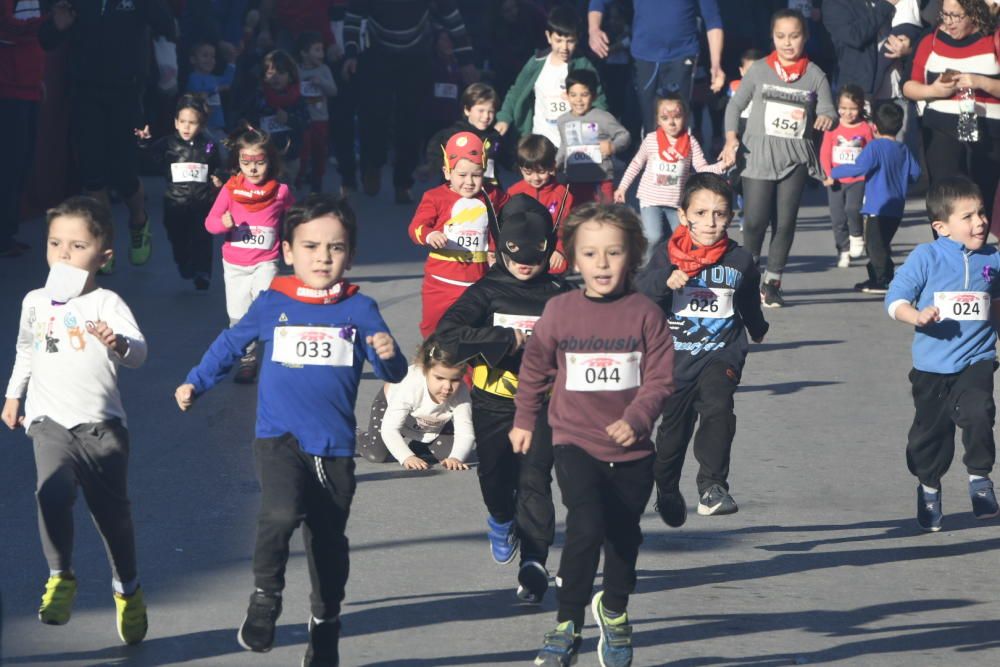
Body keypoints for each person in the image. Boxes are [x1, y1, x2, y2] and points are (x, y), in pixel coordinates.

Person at [175, 194, 408, 665]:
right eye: (311, 246)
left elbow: (395, 375)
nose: (323, 257)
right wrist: (195, 381)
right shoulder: (273, 301)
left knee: (327, 542)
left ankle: (325, 624)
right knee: (280, 515)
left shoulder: (360, 309)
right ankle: (265, 599)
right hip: (278, 438)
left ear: (351, 254)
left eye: (335, 248)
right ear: (287, 250)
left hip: (335, 447)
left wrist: (387, 353)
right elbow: (230, 343)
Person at [510, 204, 675, 667]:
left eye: (613, 252)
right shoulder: (560, 311)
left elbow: (661, 380)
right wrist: (525, 419)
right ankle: (567, 622)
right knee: (585, 526)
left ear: (633, 255)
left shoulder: (645, 315)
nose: (602, 264)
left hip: (633, 448)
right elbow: (536, 369)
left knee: (623, 536)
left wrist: (637, 418)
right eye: (590, 254)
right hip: (574, 439)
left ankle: (615, 611)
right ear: (573, 259)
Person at [3, 196, 149, 644]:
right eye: (54, 243)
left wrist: (117, 343)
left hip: (102, 428)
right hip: (49, 422)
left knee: (111, 518)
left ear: (103, 257)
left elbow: (140, 354)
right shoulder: (34, 301)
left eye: (77, 245)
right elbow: (26, 349)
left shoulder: (107, 302)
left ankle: (127, 589)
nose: (63, 254)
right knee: (52, 493)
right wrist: (13, 395)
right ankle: (60, 575)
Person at [435, 195, 573, 604]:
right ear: (500, 248)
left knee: (535, 481)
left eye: (536, 254)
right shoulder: (487, 291)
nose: (525, 263)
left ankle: (533, 562)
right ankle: (499, 518)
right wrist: (502, 339)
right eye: (516, 255)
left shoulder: (560, 294)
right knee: (496, 480)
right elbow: (446, 334)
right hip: (494, 402)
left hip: (545, 406)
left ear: (549, 249)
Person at [636, 173, 768, 524]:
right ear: (684, 215)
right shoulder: (666, 254)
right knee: (671, 438)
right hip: (673, 360)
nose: (711, 222)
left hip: (720, 352)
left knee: (719, 407)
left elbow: (747, 296)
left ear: (731, 216)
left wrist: (757, 327)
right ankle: (665, 489)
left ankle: (712, 487)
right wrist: (665, 283)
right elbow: (640, 296)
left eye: (720, 214)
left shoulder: (739, 259)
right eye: (702, 213)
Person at [883, 176, 1000, 532]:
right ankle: (929, 487)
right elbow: (895, 299)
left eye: (981, 212)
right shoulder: (927, 256)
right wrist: (916, 315)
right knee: (930, 437)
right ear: (941, 227)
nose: (979, 221)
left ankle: (980, 478)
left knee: (979, 410)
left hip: (977, 358)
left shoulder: (994, 257)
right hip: (931, 365)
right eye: (967, 216)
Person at [38, 0, 177, 272]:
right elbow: (47, 40)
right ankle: (105, 243)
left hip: (126, 93)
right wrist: (57, 25)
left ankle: (139, 221)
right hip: (84, 92)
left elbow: (167, 26)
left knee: (123, 175)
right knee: (93, 175)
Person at [721, 8, 836, 308]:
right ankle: (747, 279)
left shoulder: (814, 75)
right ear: (772, 37)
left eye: (794, 36)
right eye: (781, 36)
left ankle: (772, 283)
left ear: (805, 37)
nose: (787, 43)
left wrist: (826, 117)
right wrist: (731, 137)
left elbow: (829, 110)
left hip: (795, 158)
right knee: (756, 221)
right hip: (757, 156)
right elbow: (735, 108)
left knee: (785, 223)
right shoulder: (759, 70)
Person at [342, 0, 479, 204]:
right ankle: (372, 163)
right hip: (377, 53)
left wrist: (466, 60)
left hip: (416, 56)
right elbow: (353, 16)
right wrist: (351, 53)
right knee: (373, 114)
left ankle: (403, 183)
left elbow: (452, 16)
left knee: (411, 119)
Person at [205, 126, 294, 382]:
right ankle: (248, 360)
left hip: (266, 261)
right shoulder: (230, 191)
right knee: (238, 317)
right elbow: (210, 224)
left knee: (266, 307)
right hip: (234, 266)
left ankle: (279, 357)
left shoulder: (280, 192)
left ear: (271, 162)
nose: (253, 169)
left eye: (260, 162)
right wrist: (224, 223)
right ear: (238, 163)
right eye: (246, 163)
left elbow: (296, 218)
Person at [903, 0, 1000, 211]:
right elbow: (908, 85)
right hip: (940, 128)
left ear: (974, 14)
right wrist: (934, 91)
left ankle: (976, 243)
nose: (948, 22)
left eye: (956, 16)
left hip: (988, 132)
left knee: (981, 197)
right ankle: (946, 244)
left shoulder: (994, 38)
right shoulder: (931, 39)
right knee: (945, 195)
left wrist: (982, 83)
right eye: (944, 15)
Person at [408, 131, 505, 338]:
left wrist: (497, 250)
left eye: (477, 175)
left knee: (473, 333)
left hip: (477, 281)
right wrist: (429, 235)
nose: (469, 182)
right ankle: (431, 364)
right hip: (441, 282)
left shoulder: (493, 195)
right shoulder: (434, 197)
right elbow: (416, 227)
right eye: (461, 175)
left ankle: (470, 370)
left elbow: (506, 220)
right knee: (433, 329)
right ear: (446, 172)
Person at [615, 92, 730, 261]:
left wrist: (723, 165)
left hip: (676, 203)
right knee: (653, 236)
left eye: (677, 116)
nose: (671, 122)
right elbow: (636, 164)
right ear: (658, 120)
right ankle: (644, 269)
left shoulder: (691, 142)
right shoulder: (651, 140)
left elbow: (702, 168)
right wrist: (622, 187)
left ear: (686, 117)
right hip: (650, 199)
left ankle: (672, 271)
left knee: (678, 239)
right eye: (665, 117)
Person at [588, 0, 725, 133]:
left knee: (676, 117)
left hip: (682, 53)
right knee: (650, 120)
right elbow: (598, 2)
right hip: (644, 55)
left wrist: (716, 64)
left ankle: (678, 154)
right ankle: (651, 152)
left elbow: (712, 17)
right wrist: (593, 29)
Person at [136, 95, 225, 291]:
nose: (186, 127)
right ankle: (184, 262)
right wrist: (144, 143)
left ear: (201, 125)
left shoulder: (208, 145)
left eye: (192, 123)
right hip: (175, 202)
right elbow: (150, 158)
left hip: (202, 202)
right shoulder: (168, 144)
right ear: (175, 122)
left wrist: (219, 176)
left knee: (202, 237)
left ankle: (203, 273)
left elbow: (218, 166)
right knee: (178, 237)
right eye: (183, 122)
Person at [832, 101, 921, 293]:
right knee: (882, 244)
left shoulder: (874, 147)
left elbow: (859, 168)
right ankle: (875, 277)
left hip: (877, 207)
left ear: (874, 127)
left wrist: (834, 172)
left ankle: (883, 279)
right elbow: (915, 174)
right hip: (896, 207)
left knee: (874, 246)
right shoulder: (903, 149)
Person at [495, 5, 607, 150]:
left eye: (570, 41)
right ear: (548, 37)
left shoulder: (583, 66)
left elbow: (599, 102)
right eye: (558, 40)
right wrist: (504, 118)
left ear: (577, 39)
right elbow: (516, 92)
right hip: (541, 142)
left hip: (576, 144)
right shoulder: (536, 63)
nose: (564, 48)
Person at [359, 335, 474, 470]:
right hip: (390, 409)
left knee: (448, 454)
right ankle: (354, 435)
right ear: (424, 370)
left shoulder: (461, 392)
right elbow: (389, 429)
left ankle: (420, 445)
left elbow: (465, 433)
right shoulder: (410, 386)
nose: (447, 387)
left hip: (430, 424)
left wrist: (456, 457)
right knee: (376, 454)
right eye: (439, 378)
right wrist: (406, 456)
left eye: (455, 380)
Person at [0, 0, 45, 258]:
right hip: (8, 89)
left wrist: (39, 81)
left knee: (21, 163)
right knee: (10, 164)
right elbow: (6, 29)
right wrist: (46, 24)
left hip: (29, 88)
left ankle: (8, 232)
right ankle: (3, 237)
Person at [555, 68, 630, 207]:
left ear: (594, 96)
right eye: (573, 95)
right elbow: (564, 146)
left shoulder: (602, 117)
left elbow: (624, 135)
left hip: (600, 181)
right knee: (577, 220)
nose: (578, 100)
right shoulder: (562, 121)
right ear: (566, 95)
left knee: (603, 220)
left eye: (584, 94)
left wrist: (612, 147)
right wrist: (555, 164)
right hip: (573, 181)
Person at [820, 84, 875, 268]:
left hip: (858, 179)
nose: (848, 113)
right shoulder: (833, 127)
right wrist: (828, 174)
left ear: (861, 107)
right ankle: (843, 250)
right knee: (838, 218)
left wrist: (870, 174)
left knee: (853, 209)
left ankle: (857, 236)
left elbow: (871, 152)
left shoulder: (866, 128)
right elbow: (825, 152)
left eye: (853, 109)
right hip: (835, 180)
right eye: (843, 108)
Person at [241, 50, 310, 187]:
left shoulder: (297, 99)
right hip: (265, 155)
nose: (276, 77)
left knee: (285, 191)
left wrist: (289, 119)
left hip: (290, 156)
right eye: (271, 73)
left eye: (281, 73)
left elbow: (306, 123)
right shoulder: (259, 97)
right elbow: (248, 119)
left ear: (290, 76)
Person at [506, 134, 572, 274]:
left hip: (550, 252)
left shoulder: (563, 194)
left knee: (556, 267)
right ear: (520, 169)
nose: (535, 178)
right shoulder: (513, 192)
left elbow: (567, 228)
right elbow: (507, 227)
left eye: (541, 172)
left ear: (552, 166)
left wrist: (560, 251)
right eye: (528, 172)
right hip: (522, 252)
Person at [425, 83, 506, 191]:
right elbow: (435, 152)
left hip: (488, 191)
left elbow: (508, 158)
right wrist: (438, 167)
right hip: (457, 191)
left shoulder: (494, 136)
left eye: (490, 111)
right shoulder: (453, 134)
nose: (486, 116)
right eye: (481, 111)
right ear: (467, 110)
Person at [296, 31, 338, 194]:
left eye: (322, 50)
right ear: (304, 53)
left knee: (320, 151)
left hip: (320, 118)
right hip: (303, 119)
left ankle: (317, 182)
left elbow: (333, 91)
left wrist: (322, 83)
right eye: (316, 50)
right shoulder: (297, 71)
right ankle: (298, 178)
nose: (321, 54)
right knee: (303, 150)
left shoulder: (324, 70)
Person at [185, 40, 237, 142]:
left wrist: (232, 62)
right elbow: (199, 93)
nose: (210, 60)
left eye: (213, 57)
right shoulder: (193, 77)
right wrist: (217, 89)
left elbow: (227, 82)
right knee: (208, 149)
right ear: (193, 60)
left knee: (226, 149)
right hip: (202, 127)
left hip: (216, 126)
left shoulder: (214, 79)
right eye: (205, 56)